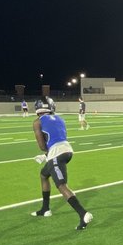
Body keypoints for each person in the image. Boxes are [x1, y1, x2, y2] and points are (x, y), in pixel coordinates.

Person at [30, 97, 93, 229]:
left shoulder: (37, 122)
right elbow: (58, 138)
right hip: (67, 150)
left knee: (61, 185)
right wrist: (47, 155)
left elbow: (42, 145)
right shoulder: (60, 119)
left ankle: (83, 214)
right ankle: (45, 209)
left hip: (56, 154)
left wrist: (46, 154)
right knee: (43, 175)